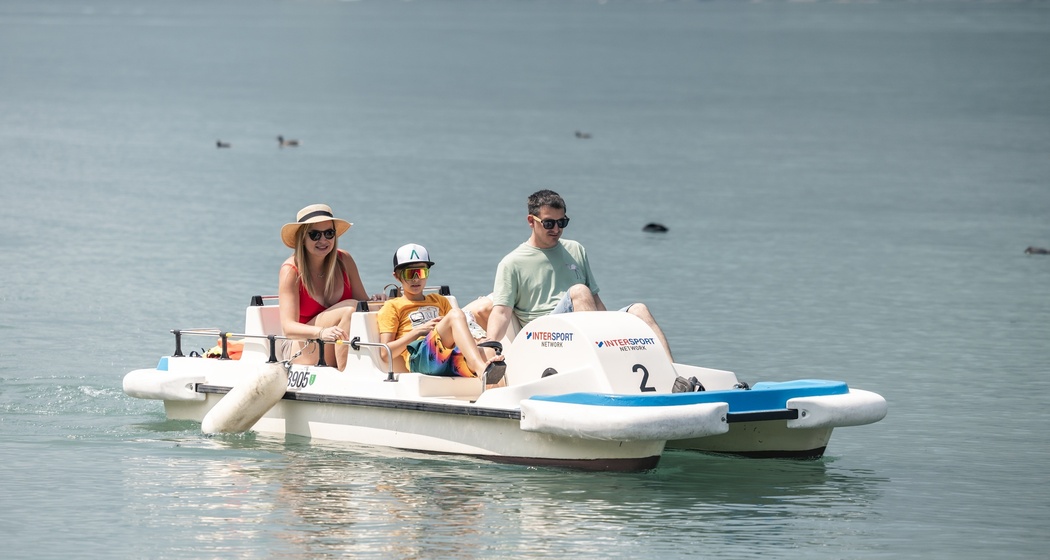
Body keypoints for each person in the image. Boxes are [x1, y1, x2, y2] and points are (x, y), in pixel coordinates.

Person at [465, 189, 674, 361]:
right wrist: (491, 344)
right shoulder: (511, 263)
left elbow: (596, 300)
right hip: (543, 336)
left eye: (561, 222)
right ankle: (604, 362)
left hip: (584, 328)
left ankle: (673, 377)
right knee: (579, 291)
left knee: (639, 309)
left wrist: (612, 330)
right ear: (531, 221)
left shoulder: (575, 249)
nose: (556, 229)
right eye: (549, 223)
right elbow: (501, 312)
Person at [377, 243, 505, 382]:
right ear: (397, 276)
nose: (416, 279)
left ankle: (492, 396)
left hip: (447, 356)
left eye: (421, 272)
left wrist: (479, 341)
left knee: (488, 352)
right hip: (419, 358)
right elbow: (385, 353)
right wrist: (418, 331)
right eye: (409, 273)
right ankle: (481, 370)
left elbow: (458, 331)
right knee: (455, 315)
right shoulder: (393, 306)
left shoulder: (440, 300)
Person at [278, 203, 380, 371]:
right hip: (299, 346)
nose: (323, 240)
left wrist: (379, 301)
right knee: (350, 309)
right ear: (302, 238)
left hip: (335, 343)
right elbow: (288, 328)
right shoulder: (291, 271)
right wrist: (321, 332)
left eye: (329, 233)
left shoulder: (345, 261)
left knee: (361, 308)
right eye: (315, 235)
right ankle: (346, 374)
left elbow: (364, 306)